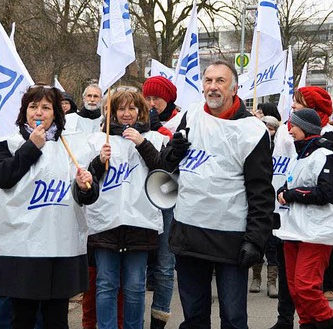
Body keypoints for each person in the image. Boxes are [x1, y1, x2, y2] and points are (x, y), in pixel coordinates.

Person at [160, 60, 274, 329]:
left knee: (233, 319)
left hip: (231, 237)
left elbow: (261, 191)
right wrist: (173, 151)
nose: (213, 87)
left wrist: (256, 240)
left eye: (220, 81)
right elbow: (167, 168)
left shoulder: (252, 130)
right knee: (195, 317)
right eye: (208, 81)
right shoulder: (191, 114)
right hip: (189, 232)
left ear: (234, 88)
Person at [0, 84, 99, 329]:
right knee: (23, 316)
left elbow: (89, 196)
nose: (39, 112)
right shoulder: (8, 143)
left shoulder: (74, 146)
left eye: (46, 107)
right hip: (23, 245)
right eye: (33, 106)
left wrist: (86, 187)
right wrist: (31, 147)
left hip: (59, 244)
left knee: (56, 317)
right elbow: (3, 177)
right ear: (24, 111)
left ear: (56, 113)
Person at [85, 89, 166, 329]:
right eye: (121, 109)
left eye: (132, 108)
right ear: (112, 112)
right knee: (106, 284)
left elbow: (162, 173)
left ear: (141, 111)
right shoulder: (97, 140)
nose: (127, 114)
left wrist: (142, 143)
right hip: (105, 224)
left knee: (134, 287)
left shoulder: (155, 138)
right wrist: (99, 162)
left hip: (140, 224)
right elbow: (87, 182)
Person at [275, 109, 333, 329]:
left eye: (294, 126)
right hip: (294, 228)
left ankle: (328, 321)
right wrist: (284, 190)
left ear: (307, 128)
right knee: (294, 288)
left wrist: (291, 194)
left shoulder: (325, 156)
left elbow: (326, 193)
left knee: (306, 286)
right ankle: (307, 323)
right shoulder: (299, 155)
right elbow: (291, 183)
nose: (290, 130)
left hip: (317, 232)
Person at [291, 87, 333, 301]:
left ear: (312, 108)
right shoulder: (295, 129)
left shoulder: (329, 132)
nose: (294, 105)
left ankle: (328, 283)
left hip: (324, 192)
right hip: (302, 195)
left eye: (299, 102)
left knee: (329, 240)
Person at [142, 76, 179, 329]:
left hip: (169, 198)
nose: (152, 103)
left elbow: (179, 154)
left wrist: (160, 131)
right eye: (149, 98)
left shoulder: (181, 120)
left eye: (157, 98)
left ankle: (159, 318)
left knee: (165, 266)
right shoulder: (139, 118)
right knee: (140, 264)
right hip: (142, 199)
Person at [250, 103, 282, 298]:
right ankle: (256, 278)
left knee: (273, 244)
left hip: (276, 204)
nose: (268, 132)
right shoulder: (256, 146)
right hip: (258, 202)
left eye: (271, 129)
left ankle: (272, 281)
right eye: (265, 128)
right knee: (257, 241)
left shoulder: (281, 149)